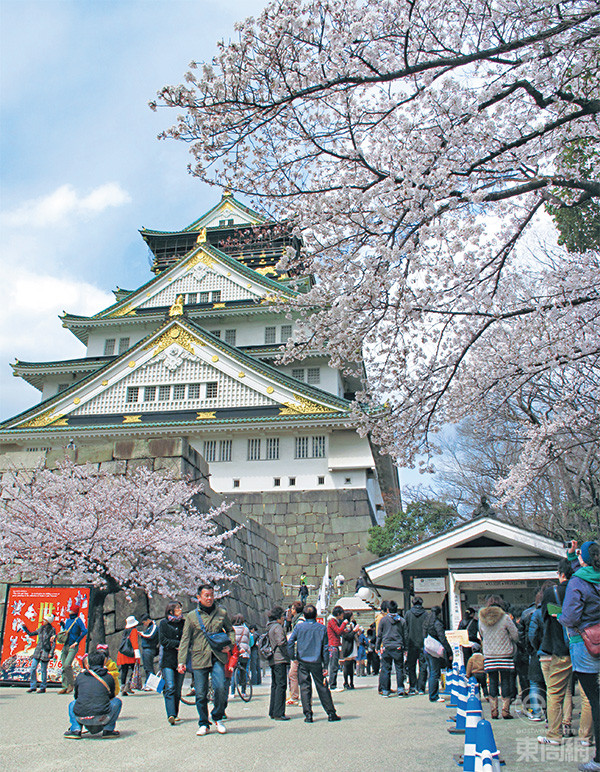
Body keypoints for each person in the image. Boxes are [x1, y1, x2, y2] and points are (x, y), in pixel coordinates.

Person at [558, 540, 600, 772]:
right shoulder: (592, 575)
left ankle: (599, 759)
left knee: (595, 700)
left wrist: (561, 619)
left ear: (583, 559)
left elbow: (571, 616)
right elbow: (582, 569)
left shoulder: (577, 582)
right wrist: (573, 554)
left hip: (585, 645)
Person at [177, 583, 235, 736]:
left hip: (217, 656)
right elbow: (185, 639)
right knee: (200, 693)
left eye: (211, 595)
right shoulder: (191, 616)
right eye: (206, 596)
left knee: (221, 688)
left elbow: (230, 630)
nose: (209, 598)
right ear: (199, 598)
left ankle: (217, 717)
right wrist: (181, 661)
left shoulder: (221, 613)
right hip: (199, 657)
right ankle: (203, 722)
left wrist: (230, 645)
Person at [538, 558, 574, 745]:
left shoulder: (552, 592)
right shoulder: (584, 589)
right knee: (586, 695)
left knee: (554, 692)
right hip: (585, 646)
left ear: (560, 573)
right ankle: (587, 737)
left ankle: (554, 735)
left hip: (560, 648)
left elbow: (544, 617)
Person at [287, 603, 340, 723]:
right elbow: (325, 648)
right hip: (317, 661)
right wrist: (325, 665)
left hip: (303, 661)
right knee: (322, 687)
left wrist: (293, 656)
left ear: (304, 615)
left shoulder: (299, 628)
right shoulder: (321, 628)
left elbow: (290, 642)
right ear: (315, 615)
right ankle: (331, 713)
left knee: (305, 687)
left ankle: (308, 715)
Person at [63, 651, 122, 739]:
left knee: (73, 704)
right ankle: (108, 730)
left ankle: (75, 729)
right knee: (117, 702)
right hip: (102, 717)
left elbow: (76, 696)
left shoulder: (80, 676)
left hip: (81, 717)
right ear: (103, 662)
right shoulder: (109, 677)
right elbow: (111, 696)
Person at [478, 595, 518, 719]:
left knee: (493, 681)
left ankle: (494, 711)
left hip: (489, 655)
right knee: (506, 681)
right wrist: (510, 640)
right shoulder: (505, 618)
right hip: (505, 654)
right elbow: (515, 634)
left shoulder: (482, 619)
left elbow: (481, 634)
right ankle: (505, 710)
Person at [159, 601, 186, 725]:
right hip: (168, 660)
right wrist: (177, 644)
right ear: (171, 611)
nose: (180, 610)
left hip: (181, 659)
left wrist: (182, 646)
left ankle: (175, 713)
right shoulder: (164, 623)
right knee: (170, 687)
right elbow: (163, 640)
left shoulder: (184, 623)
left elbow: (187, 639)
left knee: (178, 688)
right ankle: (171, 714)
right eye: (178, 608)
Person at [376, 600, 407, 697]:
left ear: (388, 609)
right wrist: (405, 648)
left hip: (387, 647)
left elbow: (379, 635)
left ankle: (385, 690)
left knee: (386, 669)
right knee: (399, 669)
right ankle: (401, 689)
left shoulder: (383, 620)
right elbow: (405, 635)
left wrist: (377, 646)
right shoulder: (401, 620)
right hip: (398, 646)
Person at [423, 605, 452, 702]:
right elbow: (442, 637)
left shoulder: (427, 622)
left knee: (431, 672)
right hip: (435, 650)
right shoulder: (437, 623)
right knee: (435, 673)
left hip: (427, 648)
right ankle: (434, 696)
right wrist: (449, 650)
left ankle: (433, 694)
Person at [266, 606, 291, 720]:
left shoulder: (270, 627)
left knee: (275, 685)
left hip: (273, 659)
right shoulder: (278, 627)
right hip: (280, 658)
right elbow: (281, 642)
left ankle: (273, 710)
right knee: (281, 685)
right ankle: (279, 712)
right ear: (280, 617)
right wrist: (289, 655)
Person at [21, 613, 56, 693]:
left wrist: (51, 652)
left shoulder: (52, 630)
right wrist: (25, 627)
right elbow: (31, 634)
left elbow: (53, 642)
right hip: (38, 651)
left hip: (45, 651)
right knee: (33, 668)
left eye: (45, 620)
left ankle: (43, 686)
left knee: (43, 670)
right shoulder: (41, 628)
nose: (43, 621)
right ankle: (33, 686)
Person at [58, 605, 87, 695]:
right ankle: (65, 686)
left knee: (67, 665)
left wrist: (77, 641)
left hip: (72, 646)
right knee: (63, 666)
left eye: (70, 610)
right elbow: (67, 631)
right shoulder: (68, 620)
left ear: (74, 611)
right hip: (65, 645)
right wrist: (63, 625)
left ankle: (71, 684)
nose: (68, 611)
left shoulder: (77, 620)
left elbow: (84, 631)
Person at [404, 596, 428, 694]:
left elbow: (405, 630)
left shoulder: (408, 614)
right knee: (423, 666)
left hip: (411, 643)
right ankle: (421, 687)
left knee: (411, 666)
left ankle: (412, 687)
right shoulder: (426, 614)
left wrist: (405, 644)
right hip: (423, 643)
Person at [117, 615, 141, 696]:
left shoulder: (126, 631)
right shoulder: (133, 630)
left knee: (124, 670)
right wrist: (137, 654)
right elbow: (134, 643)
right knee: (135, 670)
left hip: (123, 652)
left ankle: (123, 686)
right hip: (130, 654)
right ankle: (128, 685)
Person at [287, 601, 305, 706]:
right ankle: (296, 696)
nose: (291, 611)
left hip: (299, 651)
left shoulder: (300, 621)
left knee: (294, 674)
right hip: (298, 651)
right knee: (295, 674)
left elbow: (298, 636)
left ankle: (297, 696)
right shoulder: (296, 620)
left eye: (292, 609)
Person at [326, 606, 347, 692]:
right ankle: (332, 685)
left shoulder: (334, 621)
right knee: (333, 665)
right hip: (333, 645)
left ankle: (332, 684)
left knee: (334, 665)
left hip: (334, 645)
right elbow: (338, 631)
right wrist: (344, 624)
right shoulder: (332, 621)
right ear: (338, 614)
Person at [232, 613, 251, 696]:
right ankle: (243, 691)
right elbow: (248, 641)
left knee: (233, 673)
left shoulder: (232, 629)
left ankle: (232, 692)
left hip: (235, 653)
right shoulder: (246, 630)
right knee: (243, 672)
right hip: (244, 653)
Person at [139, 613, 159, 688]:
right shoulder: (149, 627)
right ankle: (149, 683)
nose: (144, 624)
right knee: (146, 667)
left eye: (144, 623)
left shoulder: (154, 626)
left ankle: (153, 685)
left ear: (148, 620)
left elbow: (151, 635)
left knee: (149, 667)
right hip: (146, 649)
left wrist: (142, 634)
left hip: (150, 649)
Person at [341, 612, 358, 689]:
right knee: (347, 666)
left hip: (352, 646)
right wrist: (354, 631)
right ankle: (346, 682)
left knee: (351, 665)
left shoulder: (351, 624)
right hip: (348, 647)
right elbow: (347, 636)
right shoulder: (346, 625)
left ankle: (351, 682)